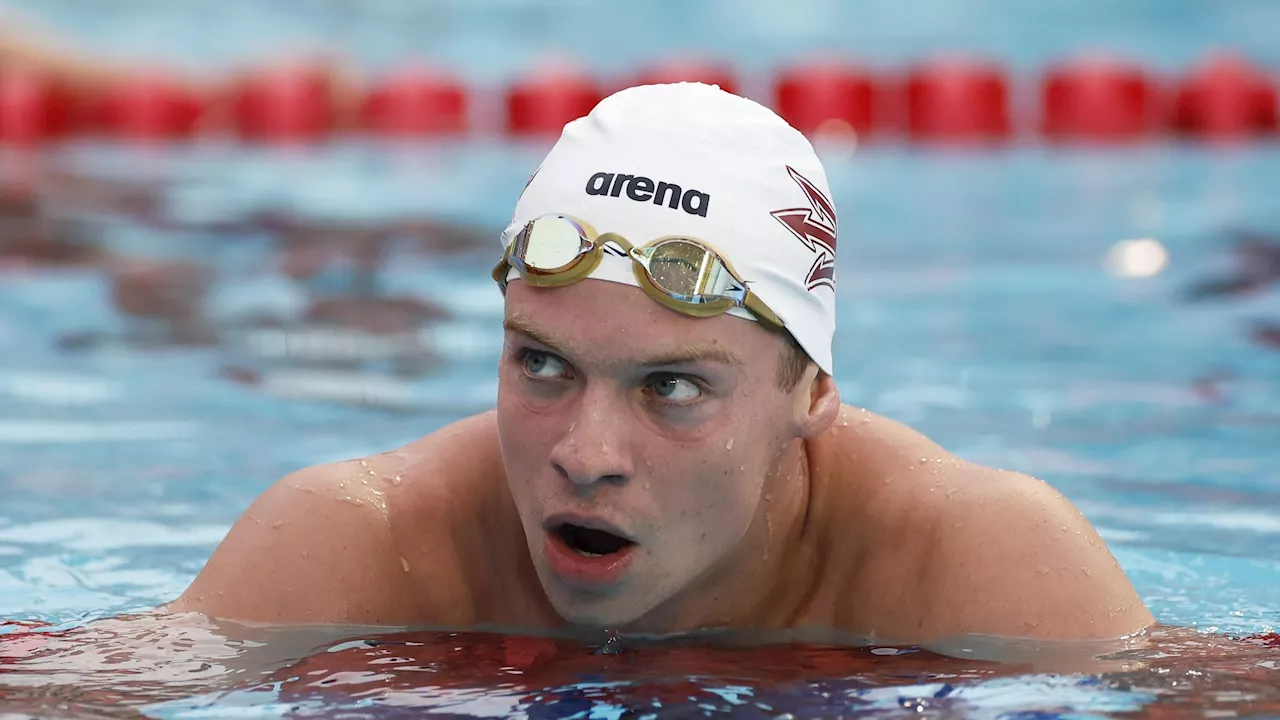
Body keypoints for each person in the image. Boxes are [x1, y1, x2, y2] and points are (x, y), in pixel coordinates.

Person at [163, 82, 1154, 644]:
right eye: (542, 366)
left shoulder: (971, 569)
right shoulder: (361, 550)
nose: (585, 454)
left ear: (810, 393)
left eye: (670, 387)